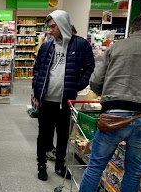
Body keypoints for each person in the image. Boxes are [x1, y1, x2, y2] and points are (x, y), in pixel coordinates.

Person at [62, 14, 141, 192]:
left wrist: (106, 93)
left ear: (132, 29)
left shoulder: (115, 48)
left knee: (96, 165)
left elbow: (96, 82)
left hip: (113, 116)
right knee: (133, 171)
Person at [32, 10, 95, 181]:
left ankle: (60, 165)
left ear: (63, 25)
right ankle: (41, 165)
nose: (50, 30)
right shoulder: (47, 45)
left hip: (66, 101)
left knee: (63, 135)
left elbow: (89, 68)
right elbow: (37, 68)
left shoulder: (81, 45)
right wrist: (36, 89)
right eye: (49, 27)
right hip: (46, 99)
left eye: (53, 26)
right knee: (43, 135)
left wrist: (77, 85)